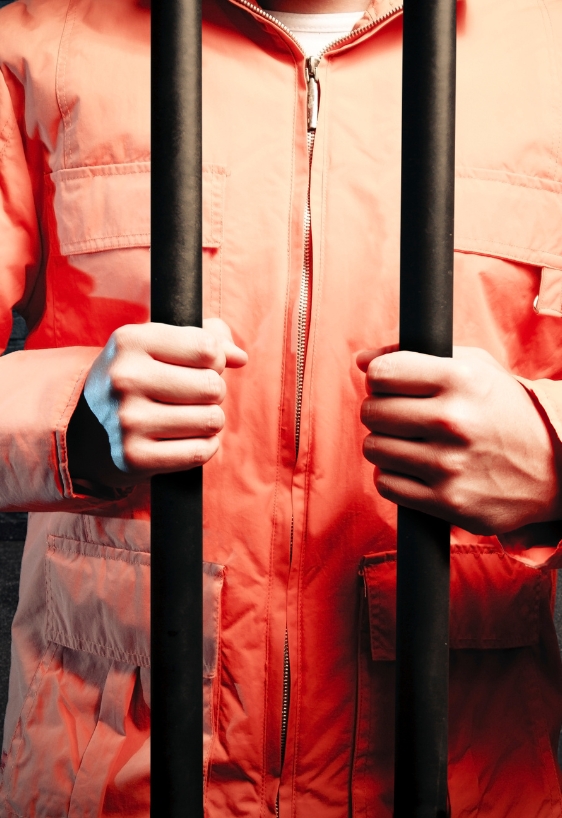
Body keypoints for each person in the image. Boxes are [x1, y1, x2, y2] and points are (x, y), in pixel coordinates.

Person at [1, 0, 562, 814]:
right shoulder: (43, 38)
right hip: (115, 778)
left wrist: (549, 454)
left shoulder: (550, 46)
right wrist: (74, 424)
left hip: (467, 778)